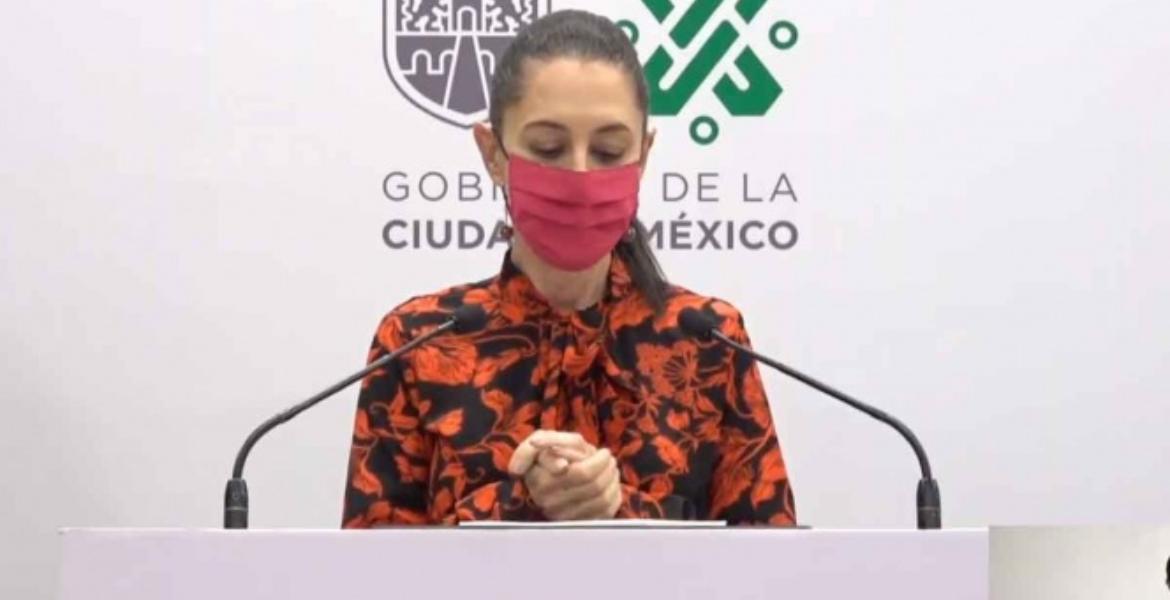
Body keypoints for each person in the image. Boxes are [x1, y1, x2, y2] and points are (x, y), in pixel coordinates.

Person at [342, 9, 795, 526]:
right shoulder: (417, 342)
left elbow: (769, 556)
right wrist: (519, 502)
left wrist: (617, 509)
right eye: (549, 148)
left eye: (608, 150)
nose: (580, 174)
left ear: (643, 155)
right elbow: (372, 560)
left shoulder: (709, 339)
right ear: (492, 154)